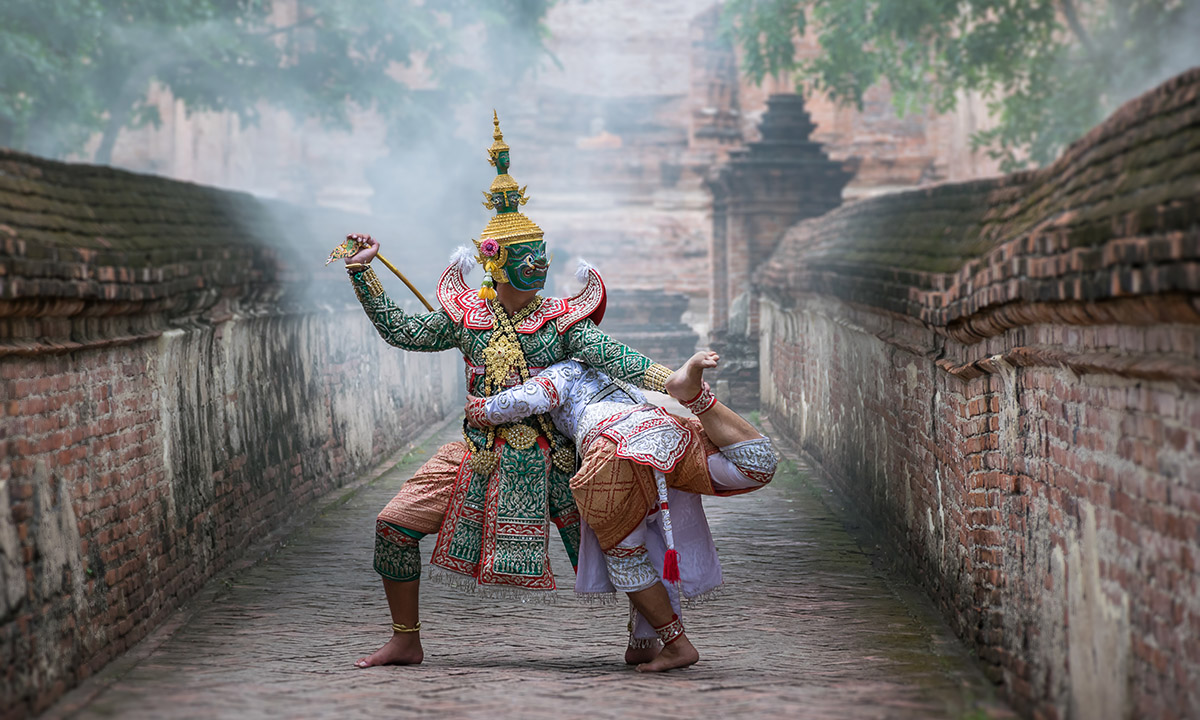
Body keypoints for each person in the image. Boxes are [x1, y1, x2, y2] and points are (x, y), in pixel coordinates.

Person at [346, 113, 676, 668]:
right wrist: (363, 274)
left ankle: (660, 637)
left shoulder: (563, 322)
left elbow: (619, 359)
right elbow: (402, 330)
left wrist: (677, 384)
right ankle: (406, 638)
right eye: (530, 256)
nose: (541, 264)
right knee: (393, 526)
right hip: (478, 458)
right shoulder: (465, 317)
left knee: (622, 546)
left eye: (543, 253)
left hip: (559, 463)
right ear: (495, 262)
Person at [464, 350, 778, 671]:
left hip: (612, 446)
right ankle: (699, 401)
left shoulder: (564, 370)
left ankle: (676, 644)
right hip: (662, 429)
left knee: (624, 554)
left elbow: (529, 398)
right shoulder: (615, 370)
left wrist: (480, 408)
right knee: (756, 465)